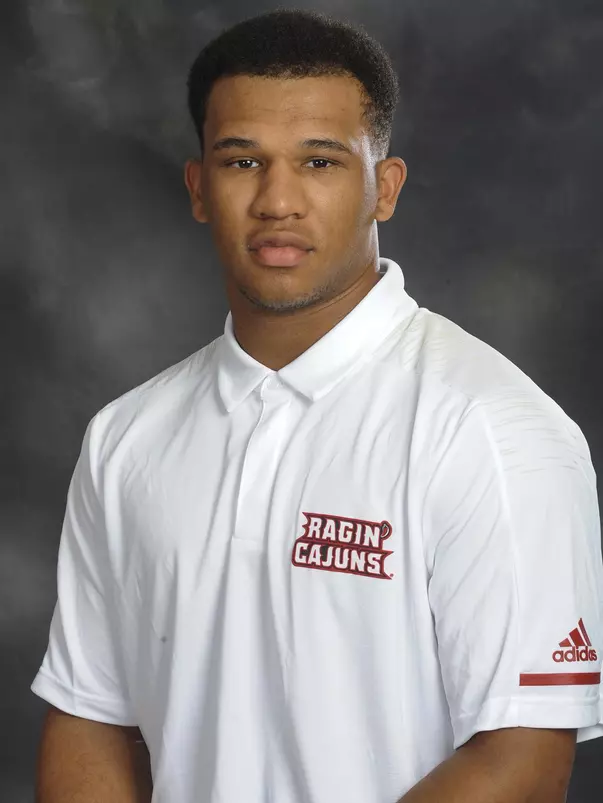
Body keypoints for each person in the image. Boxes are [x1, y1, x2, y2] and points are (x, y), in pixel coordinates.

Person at [31, 9, 603, 803]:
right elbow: (92, 716)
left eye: (320, 162)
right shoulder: (127, 438)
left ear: (385, 188)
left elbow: (522, 763)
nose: (277, 200)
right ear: (199, 188)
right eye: (241, 161)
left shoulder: (494, 430)